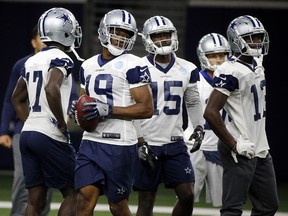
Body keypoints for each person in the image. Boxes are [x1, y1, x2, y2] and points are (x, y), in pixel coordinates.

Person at [72, 9, 154, 216]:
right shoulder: (88, 65)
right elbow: (83, 101)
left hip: (120, 145)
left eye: (126, 34)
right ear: (104, 32)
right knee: (83, 201)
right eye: (117, 31)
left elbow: (146, 108)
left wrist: (108, 110)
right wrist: (76, 111)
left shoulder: (134, 64)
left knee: (116, 206)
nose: (121, 38)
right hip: (91, 141)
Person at [203, 15, 279, 215]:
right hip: (239, 145)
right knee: (232, 209)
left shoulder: (256, 64)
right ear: (236, 39)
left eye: (258, 37)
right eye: (251, 38)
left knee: (269, 206)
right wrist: (234, 144)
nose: (257, 42)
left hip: (260, 146)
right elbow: (210, 112)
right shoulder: (230, 70)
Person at [11, 7, 82, 216]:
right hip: (49, 133)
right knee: (74, 193)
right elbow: (51, 88)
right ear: (64, 32)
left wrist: (30, 121)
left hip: (28, 133)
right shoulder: (62, 58)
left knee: (34, 199)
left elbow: (17, 98)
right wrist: (61, 122)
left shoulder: (31, 60)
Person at [133, 16, 205, 216]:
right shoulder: (136, 67)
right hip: (148, 141)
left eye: (167, 34)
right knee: (146, 201)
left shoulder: (187, 68)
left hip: (175, 142)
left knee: (187, 194)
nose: (163, 39)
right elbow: (132, 107)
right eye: (158, 36)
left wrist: (199, 126)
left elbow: (192, 101)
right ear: (148, 39)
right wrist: (140, 142)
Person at [0, 25, 54, 216]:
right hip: (24, 129)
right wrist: (3, 130)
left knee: (48, 179)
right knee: (23, 179)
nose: (45, 41)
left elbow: (70, 97)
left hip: (50, 131)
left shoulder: (59, 64)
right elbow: (10, 98)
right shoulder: (22, 64)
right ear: (33, 42)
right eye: (42, 37)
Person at [183, 33, 231, 207]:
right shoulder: (194, 79)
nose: (218, 59)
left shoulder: (233, 80)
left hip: (222, 146)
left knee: (226, 202)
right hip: (195, 146)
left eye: (222, 55)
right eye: (212, 55)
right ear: (203, 55)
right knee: (186, 197)